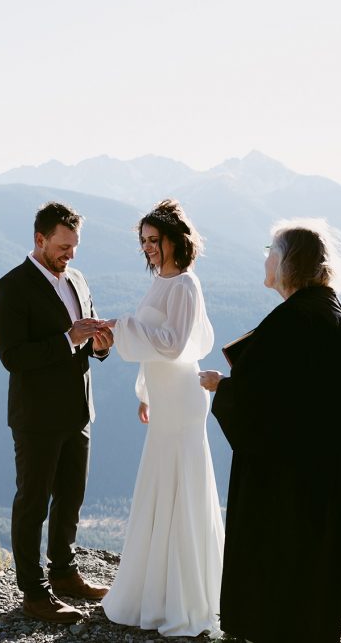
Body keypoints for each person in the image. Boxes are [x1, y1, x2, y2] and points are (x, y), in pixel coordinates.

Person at [199, 218, 341, 643]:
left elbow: (265, 406)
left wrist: (225, 389)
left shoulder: (298, 320)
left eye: (272, 251)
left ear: (290, 262)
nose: (266, 258)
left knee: (281, 582)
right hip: (316, 478)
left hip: (290, 484)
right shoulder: (320, 312)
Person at [100, 199, 225, 637]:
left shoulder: (186, 286)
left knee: (180, 488)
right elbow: (154, 346)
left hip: (184, 402)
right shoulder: (161, 282)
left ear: (175, 240)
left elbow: (173, 345)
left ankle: (182, 599)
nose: (149, 248)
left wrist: (120, 325)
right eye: (145, 242)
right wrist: (143, 392)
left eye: (155, 240)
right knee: (160, 485)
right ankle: (155, 590)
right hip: (164, 397)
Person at [0, 201, 114, 624]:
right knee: (32, 504)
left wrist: (99, 346)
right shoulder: (12, 287)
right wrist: (67, 338)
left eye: (75, 246)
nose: (70, 255)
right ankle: (34, 592)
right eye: (63, 246)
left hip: (79, 411)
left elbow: (85, 339)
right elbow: (12, 356)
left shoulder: (77, 279)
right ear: (39, 240)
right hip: (37, 418)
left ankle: (64, 573)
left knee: (70, 500)